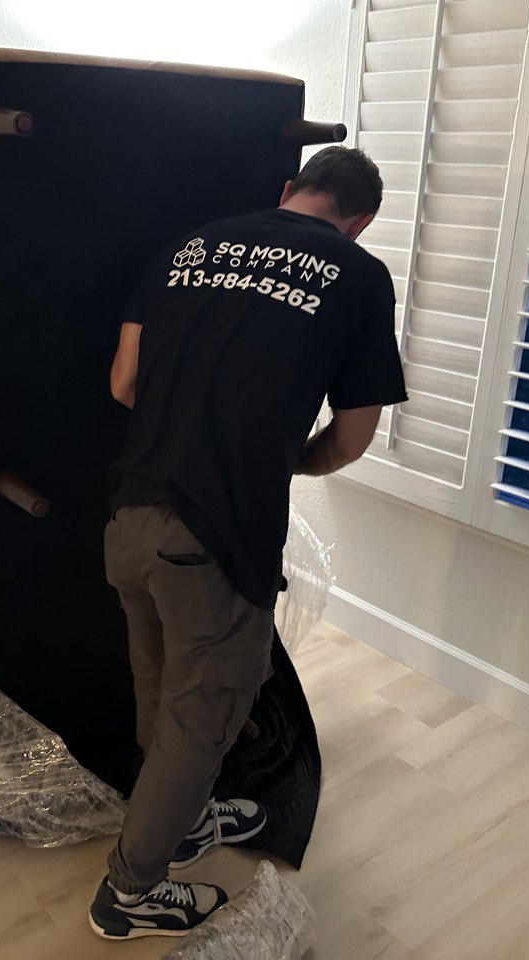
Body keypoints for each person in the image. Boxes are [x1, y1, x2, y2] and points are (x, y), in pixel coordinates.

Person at [89, 146, 407, 941]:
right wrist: (282, 462)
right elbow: (354, 437)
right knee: (204, 718)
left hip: (128, 516)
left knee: (159, 692)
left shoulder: (191, 246)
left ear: (288, 191)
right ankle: (129, 893)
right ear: (360, 222)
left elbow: (123, 384)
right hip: (215, 536)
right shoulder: (359, 275)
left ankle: (180, 823)